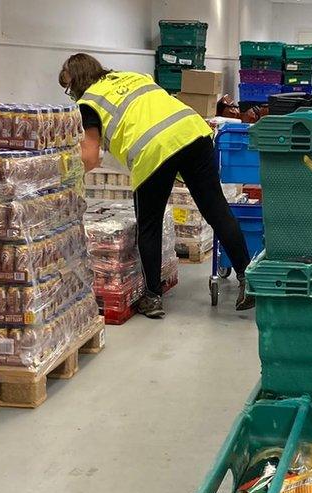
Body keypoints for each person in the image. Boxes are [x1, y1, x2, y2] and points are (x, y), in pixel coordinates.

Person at [59, 53, 255, 318]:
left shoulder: (89, 103)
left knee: (149, 225)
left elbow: (91, 157)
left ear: (78, 81)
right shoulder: (132, 76)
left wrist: (61, 176)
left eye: (69, 88)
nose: (71, 94)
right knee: (217, 210)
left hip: (154, 149)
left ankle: (152, 297)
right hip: (193, 132)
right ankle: (248, 279)